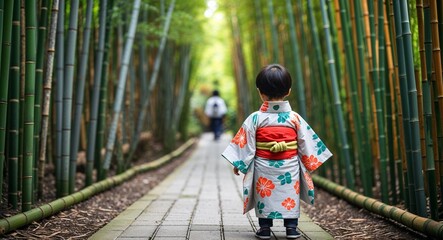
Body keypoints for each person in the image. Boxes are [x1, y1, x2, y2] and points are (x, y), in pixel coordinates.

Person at [221, 64, 332, 239]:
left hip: (263, 166)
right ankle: (292, 229)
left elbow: (246, 143)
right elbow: (306, 142)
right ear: (288, 91)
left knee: (264, 195)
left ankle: (265, 229)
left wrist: (239, 163)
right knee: (289, 194)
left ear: (260, 92)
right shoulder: (294, 118)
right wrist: (309, 162)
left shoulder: (255, 118)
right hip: (289, 166)